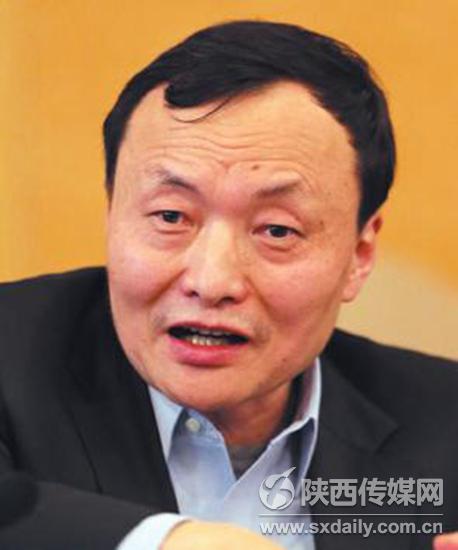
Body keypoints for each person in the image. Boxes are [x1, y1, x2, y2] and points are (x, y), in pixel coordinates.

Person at [0, 20, 457, 550]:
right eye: (170, 216)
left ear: (360, 254)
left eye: (277, 230)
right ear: (112, 214)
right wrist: (165, 543)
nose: (211, 280)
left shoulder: (445, 428)